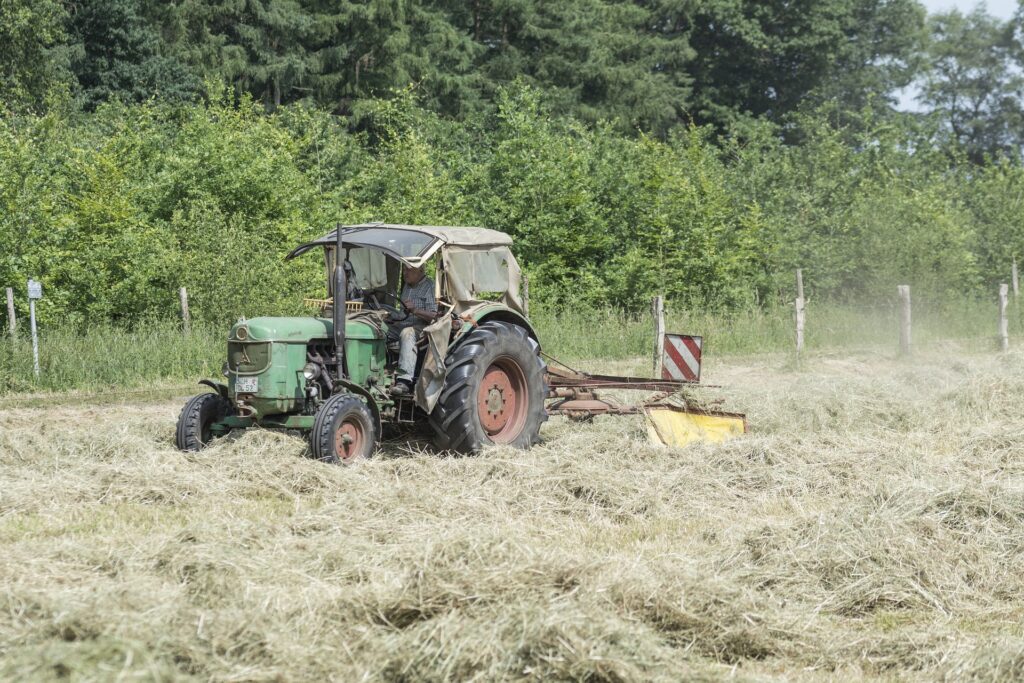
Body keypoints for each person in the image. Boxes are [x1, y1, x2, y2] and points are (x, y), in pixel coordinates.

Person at [388, 264, 437, 395]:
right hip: (404, 323)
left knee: (407, 333)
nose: (405, 273)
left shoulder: (430, 286)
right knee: (380, 329)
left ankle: (404, 381)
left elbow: (434, 316)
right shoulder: (406, 286)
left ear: (420, 271)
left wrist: (415, 310)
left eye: (409, 270)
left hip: (423, 327)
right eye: (404, 269)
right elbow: (402, 313)